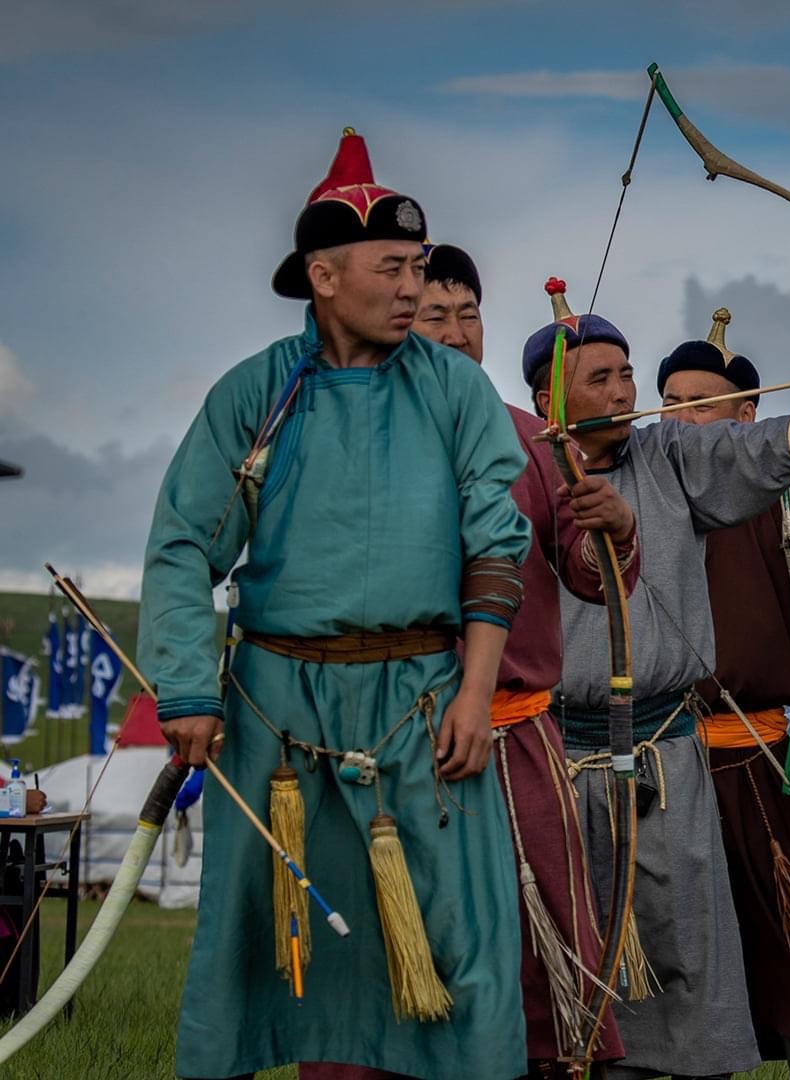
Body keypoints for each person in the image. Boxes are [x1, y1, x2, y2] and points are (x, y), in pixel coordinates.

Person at [140, 128, 532, 1077]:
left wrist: (477, 695)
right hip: (276, 709)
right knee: (248, 945)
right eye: (392, 268)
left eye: (419, 267)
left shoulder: (454, 392)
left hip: (426, 703)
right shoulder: (256, 394)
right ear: (324, 275)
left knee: (464, 943)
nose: (412, 289)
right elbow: (186, 544)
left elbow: (495, 546)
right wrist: (189, 692)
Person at [543, 301, 790, 1079]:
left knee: (726, 953)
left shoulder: (690, 471)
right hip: (573, 759)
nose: (631, 398)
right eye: (606, 380)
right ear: (552, 399)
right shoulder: (524, 475)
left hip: (710, 758)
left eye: (625, 377)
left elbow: (771, 448)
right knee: (592, 954)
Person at [416, 250, 638, 1071]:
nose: (454, 332)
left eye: (466, 314)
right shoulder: (355, 437)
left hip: (514, 737)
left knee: (543, 939)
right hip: (397, 735)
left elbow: (585, 571)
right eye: (433, 316)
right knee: (415, 938)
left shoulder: (532, 439)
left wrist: (611, 526)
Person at [669, 313, 790, 1080]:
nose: (679, 419)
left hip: (760, 762)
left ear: (749, 419)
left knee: (785, 944)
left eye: (701, 404)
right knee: (677, 940)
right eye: (669, 402)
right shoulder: (640, 511)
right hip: (662, 768)